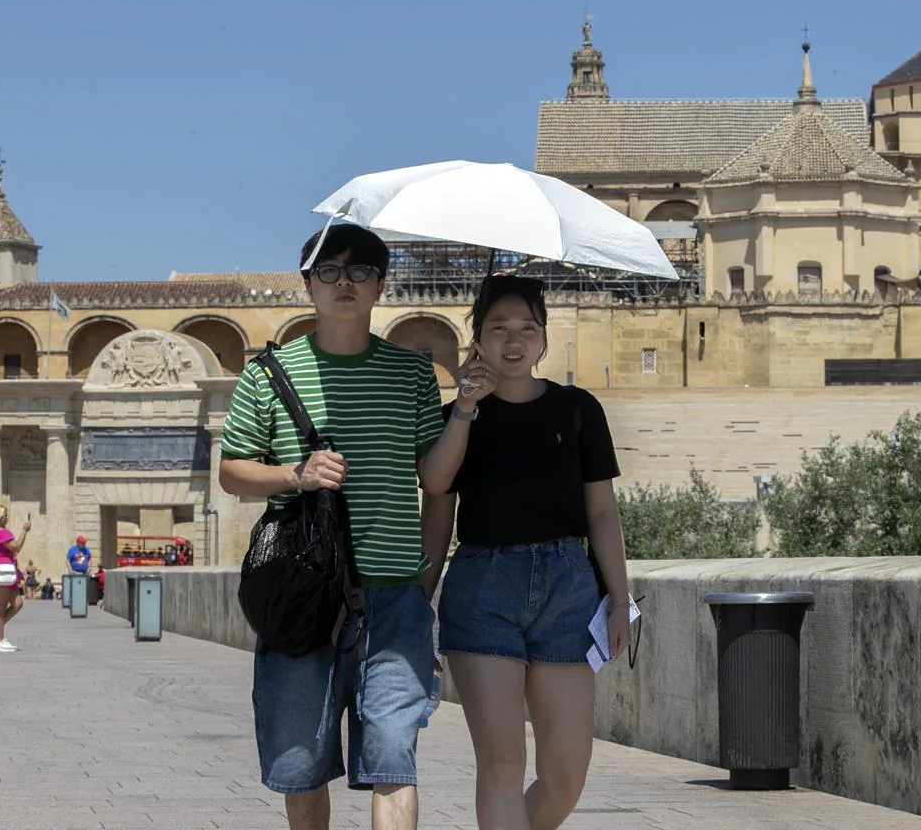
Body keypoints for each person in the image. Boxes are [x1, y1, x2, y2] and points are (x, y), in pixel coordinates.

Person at [219, 223, 446, 830]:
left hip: (395, 595)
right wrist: (297, 474)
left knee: (395, 759)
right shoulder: (268, 373)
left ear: (380, 286)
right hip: (306, 593)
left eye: (360, 271)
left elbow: (438, 481)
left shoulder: (413, 375)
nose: (344, 281)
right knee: (303, 766)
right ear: (308, 285)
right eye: (329, 270)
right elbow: (233, 472)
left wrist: (426, 579)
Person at [418, 273, 632, 830]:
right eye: (499, 328)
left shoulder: (578, 410)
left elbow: (602, 512)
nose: (514, 341)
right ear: (478, 340)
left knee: (566, 773)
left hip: (568, 587)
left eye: (527, 329)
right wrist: (464, 407)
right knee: (501, 760)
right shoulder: (454, 420)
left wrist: (619, 598)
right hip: (483, 587)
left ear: (542, 339)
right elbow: (436, 492)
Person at [0, 504, 30, 652]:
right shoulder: (1, 533)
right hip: (3, 571)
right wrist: (24, 530)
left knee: (17, 603)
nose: (7, 517)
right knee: (1, 608)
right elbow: (16, 547)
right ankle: (0, 640)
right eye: (5, 514)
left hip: (7, 571)